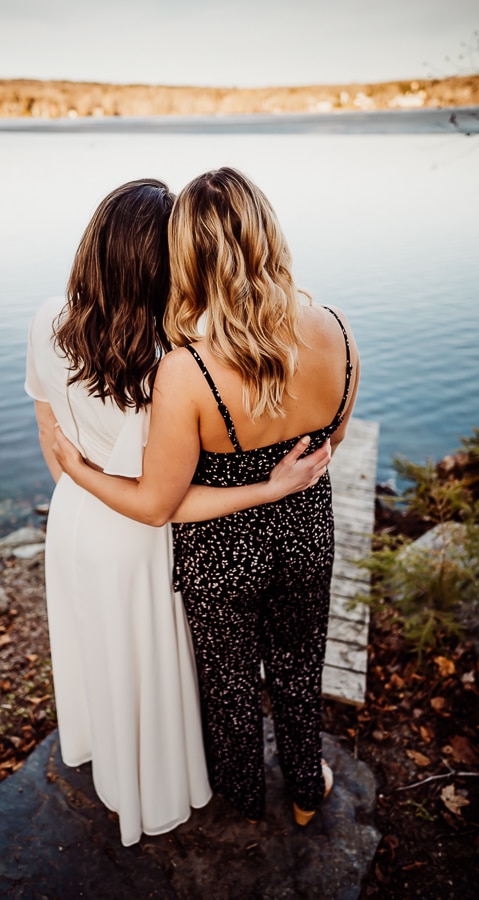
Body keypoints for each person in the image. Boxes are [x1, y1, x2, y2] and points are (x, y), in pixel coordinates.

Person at [25, 177, 331, 846]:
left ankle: (182, 777)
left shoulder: (65, 324)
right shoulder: (181, 357)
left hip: (98, 520)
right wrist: (275, 483)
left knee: (128, 656)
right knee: (230, 666)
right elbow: (319, 442)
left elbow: (52, 428)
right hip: (223, 530)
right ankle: (254, 786)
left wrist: (74, 480)